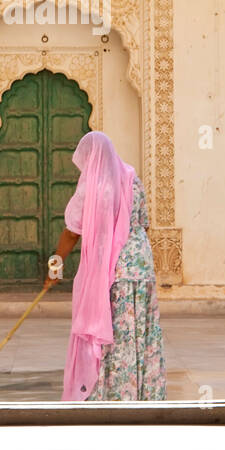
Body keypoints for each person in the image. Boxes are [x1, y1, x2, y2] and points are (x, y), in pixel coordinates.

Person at [44, 130, 166, 402]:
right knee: (141, 329)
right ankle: (144, 394)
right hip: (142, 266)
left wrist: (54, 268)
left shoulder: (92, 186)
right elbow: (144, 223)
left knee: (117, 333)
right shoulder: (132, 178)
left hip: (115, 272)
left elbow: (72, 232)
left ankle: (115, 395)